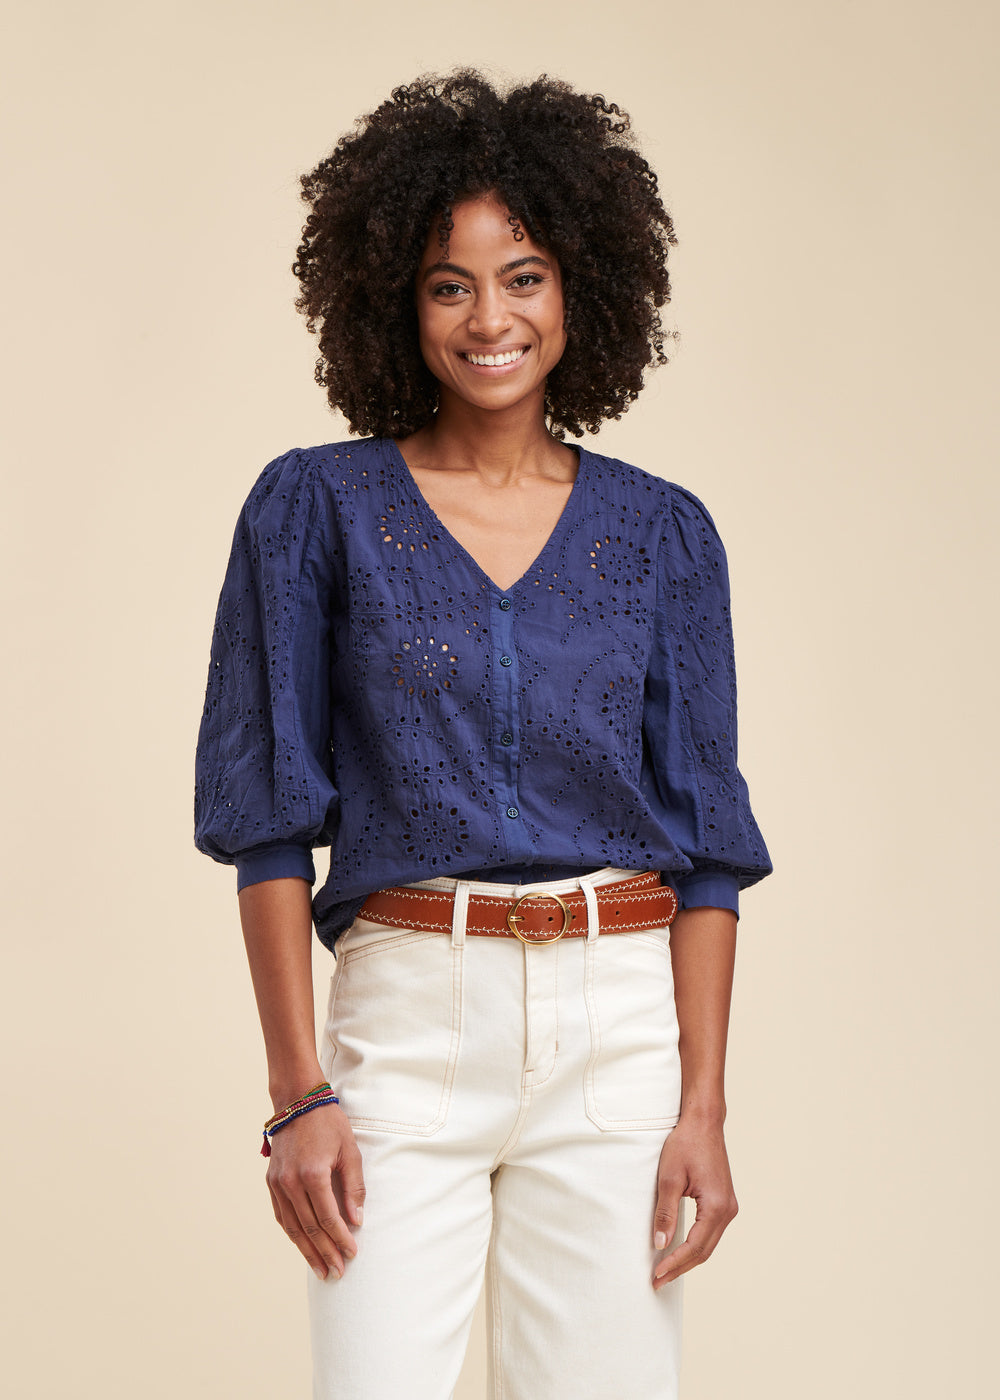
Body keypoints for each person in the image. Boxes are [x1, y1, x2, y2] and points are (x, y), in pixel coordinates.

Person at [194, 71, 771, 1400]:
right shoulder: (314, 511)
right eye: (449, 285)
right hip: (407, 1019)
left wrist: (702, 1106)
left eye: (524, 277)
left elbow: (708, 851)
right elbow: (269, 822)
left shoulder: (664, 534)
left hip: (617, 1029)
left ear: (581, 291)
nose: (490, 318)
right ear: (396, 301)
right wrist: (298, 1092)